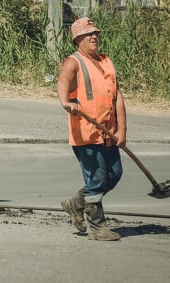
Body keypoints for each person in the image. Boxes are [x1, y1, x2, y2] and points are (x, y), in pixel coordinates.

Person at [57, 17, 127, 241]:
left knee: (114, 174)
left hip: (108, 131)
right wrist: (66, 103)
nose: (94, 36)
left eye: (95, 33)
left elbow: (118, 98)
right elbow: (62, 84)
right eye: (88, 34)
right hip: (86, 132)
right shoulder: (73, 62)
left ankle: (75, 203)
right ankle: (97, 228)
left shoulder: (107, 62)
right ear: (78, 39)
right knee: (97, 179)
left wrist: (122, 130)